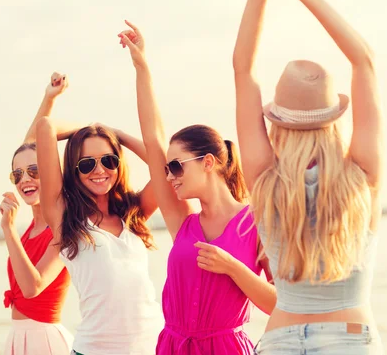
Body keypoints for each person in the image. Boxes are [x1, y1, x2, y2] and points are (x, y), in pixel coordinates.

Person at [233, 0, 384, 353]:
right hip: (351, 339)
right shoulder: (362, 178)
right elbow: (364, 61)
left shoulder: (265, 179)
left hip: (280, 338)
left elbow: (243, 68)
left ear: (277, 122)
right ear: (333, 117)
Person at [118, 20, 276, 355]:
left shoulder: (256, 221)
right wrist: (141, 67)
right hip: (174, 347)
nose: (169, 175)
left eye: (177, 166)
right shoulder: (183, 220)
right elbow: (153, 137)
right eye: (167, 168)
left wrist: (232, 267)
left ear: (208, 162)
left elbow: (281, 304)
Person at [34, 82, 164, 355]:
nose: (99, 170)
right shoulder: (64, 215)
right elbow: (45, 127)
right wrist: (91, 128)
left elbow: (164, 168)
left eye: (108, 160)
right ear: (74, 169)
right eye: (87, 163)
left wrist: (118, 135)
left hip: (153, 347)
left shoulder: (134, 211)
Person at [0, 73, 76, 355]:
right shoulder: (33, 226)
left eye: (34, 171)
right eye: (17, 174)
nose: (25, 180)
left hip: (45, 343)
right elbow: (29, 146)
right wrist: (49, 98)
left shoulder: (64, 226)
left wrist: (8, 230)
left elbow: (33, 286)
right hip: (18, 339)